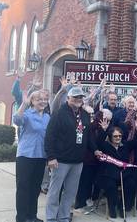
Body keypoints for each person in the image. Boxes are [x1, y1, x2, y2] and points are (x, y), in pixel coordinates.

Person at [44, 86, 99, 222]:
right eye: (75, 97)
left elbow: (88, 136)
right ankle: (51, 217)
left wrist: (95, 149)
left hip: (78, 161)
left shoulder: (85, 115)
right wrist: (51, 157)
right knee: (55, 191)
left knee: (70, 192)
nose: (78, 100)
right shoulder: (59, 113)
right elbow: (50, 136)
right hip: (60, 160)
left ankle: (63, 216)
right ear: (68, 98)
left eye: (80, 97)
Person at [14, 90, 50, 222]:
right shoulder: (27, 114)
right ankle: (22, 218)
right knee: (23, 188)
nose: (42, 101)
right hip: (25, 156)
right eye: (38, 99)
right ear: (32, 101)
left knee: (35, 188)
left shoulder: (47, 117)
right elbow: (17, 120)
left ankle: (32, 216)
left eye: (45, 99)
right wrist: (23, 104)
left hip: (41, 156)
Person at [96, 126, 135, 218]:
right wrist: (103, 130)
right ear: (110, 137)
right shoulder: (105, 146)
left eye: (120, 136)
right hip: (109, 174)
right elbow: (98, 142)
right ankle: (112, 207)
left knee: (131, 185)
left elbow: (135, 142)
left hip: (123, 174)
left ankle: (123, 207)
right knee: (110, 186)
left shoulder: (125, 145)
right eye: (115, 136)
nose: (118, 138)